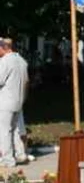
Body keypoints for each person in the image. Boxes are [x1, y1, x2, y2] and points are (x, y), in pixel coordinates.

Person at [0, 38, 30, 168]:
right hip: (18, 101)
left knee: (4, 131)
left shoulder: (5, 61)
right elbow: (27, 82)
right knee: (15, 130)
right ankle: (21, 154)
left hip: (5, 101)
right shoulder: (22, 61)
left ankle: (8, 160)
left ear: (3, 47)